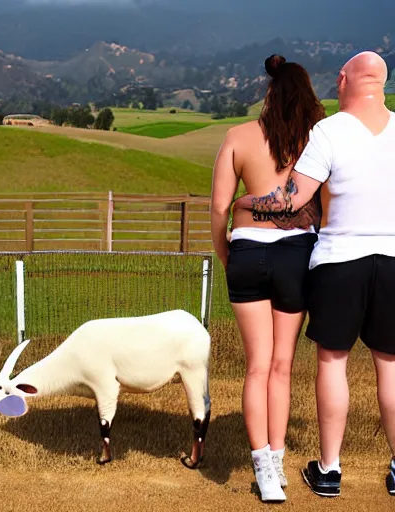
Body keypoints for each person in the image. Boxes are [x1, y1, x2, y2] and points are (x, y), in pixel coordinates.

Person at [233, 51, 395, 498]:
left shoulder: (329, 131)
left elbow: (289, 200)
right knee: (391, 367)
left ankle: (328, 470)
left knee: (333, 362)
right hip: (393, 258)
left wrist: (245, 205)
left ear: (344, 79)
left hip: (341, 258)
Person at [210, 54, 325, 502]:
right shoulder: (315, 141)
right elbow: (324, 208)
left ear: (268, 93)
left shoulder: (237, 137)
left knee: (256, 367)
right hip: (296, 256)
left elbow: (220, 207)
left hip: (246, 254)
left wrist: (227, 256)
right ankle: (276, 462)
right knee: (281, 367)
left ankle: (262, 467)